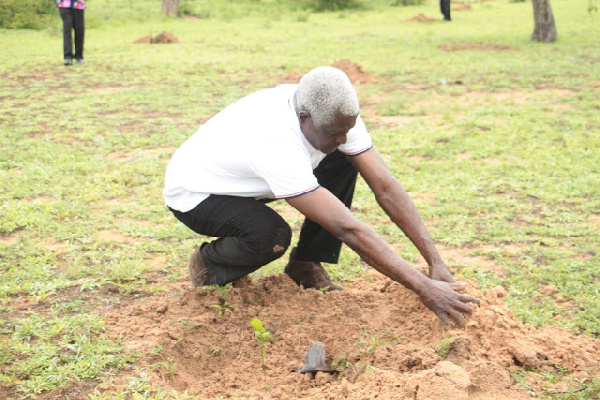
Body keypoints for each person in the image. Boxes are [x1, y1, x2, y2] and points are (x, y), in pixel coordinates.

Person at [163, 66, 479, 326]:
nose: (342, 137)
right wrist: (424, 287)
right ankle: (210, 264)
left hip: (249, 179)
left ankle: (304, 265)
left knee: (344, 158)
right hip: (198, 192)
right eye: (333, 132)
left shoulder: (335, 113)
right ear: (304, 118)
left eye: (346, 129)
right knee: (270, 235)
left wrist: (434, 262)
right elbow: (348, 228)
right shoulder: (275, 140)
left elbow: (386, 187)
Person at [55, 0, 86, 66]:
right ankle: (68, 57)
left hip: (78, 5)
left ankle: (79, 56)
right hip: (64, 4)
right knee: (67, 29)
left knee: (79, 30)